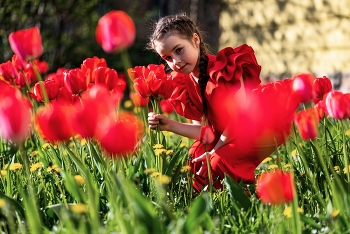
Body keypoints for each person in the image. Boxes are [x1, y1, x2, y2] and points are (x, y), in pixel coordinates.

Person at [147, 13, 295, 193]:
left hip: (258, 128)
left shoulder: (224, 71)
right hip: (229, 136)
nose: (176, 61)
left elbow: (239, 121)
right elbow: (206, 133)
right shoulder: (184, 84)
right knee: (196, 155)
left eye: (179, 50)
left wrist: (214, 151)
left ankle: (245, 200)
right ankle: (210, 202)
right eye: (168, 58)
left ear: (195, 40)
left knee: (217, 161)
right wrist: (169, 125)